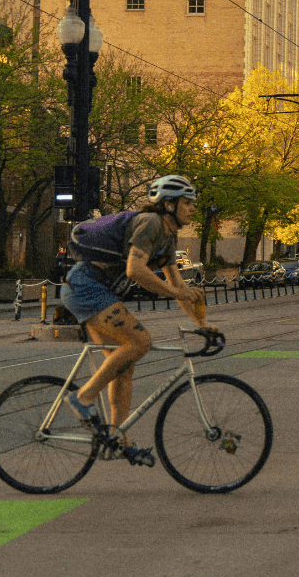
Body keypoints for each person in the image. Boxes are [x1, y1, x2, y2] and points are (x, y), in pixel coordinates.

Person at [60, 175, 217, 466]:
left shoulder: (168, 238)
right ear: (168, 204)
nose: (192, 209)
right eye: (187, 203)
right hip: (86, 286)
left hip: (97, 290)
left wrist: (202, 325)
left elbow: (179, 288)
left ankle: (117, 438)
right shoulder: (151, 223)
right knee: (141, 341)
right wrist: (173, 291)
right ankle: (82, 398)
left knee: (123, 364)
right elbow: (135, 270)